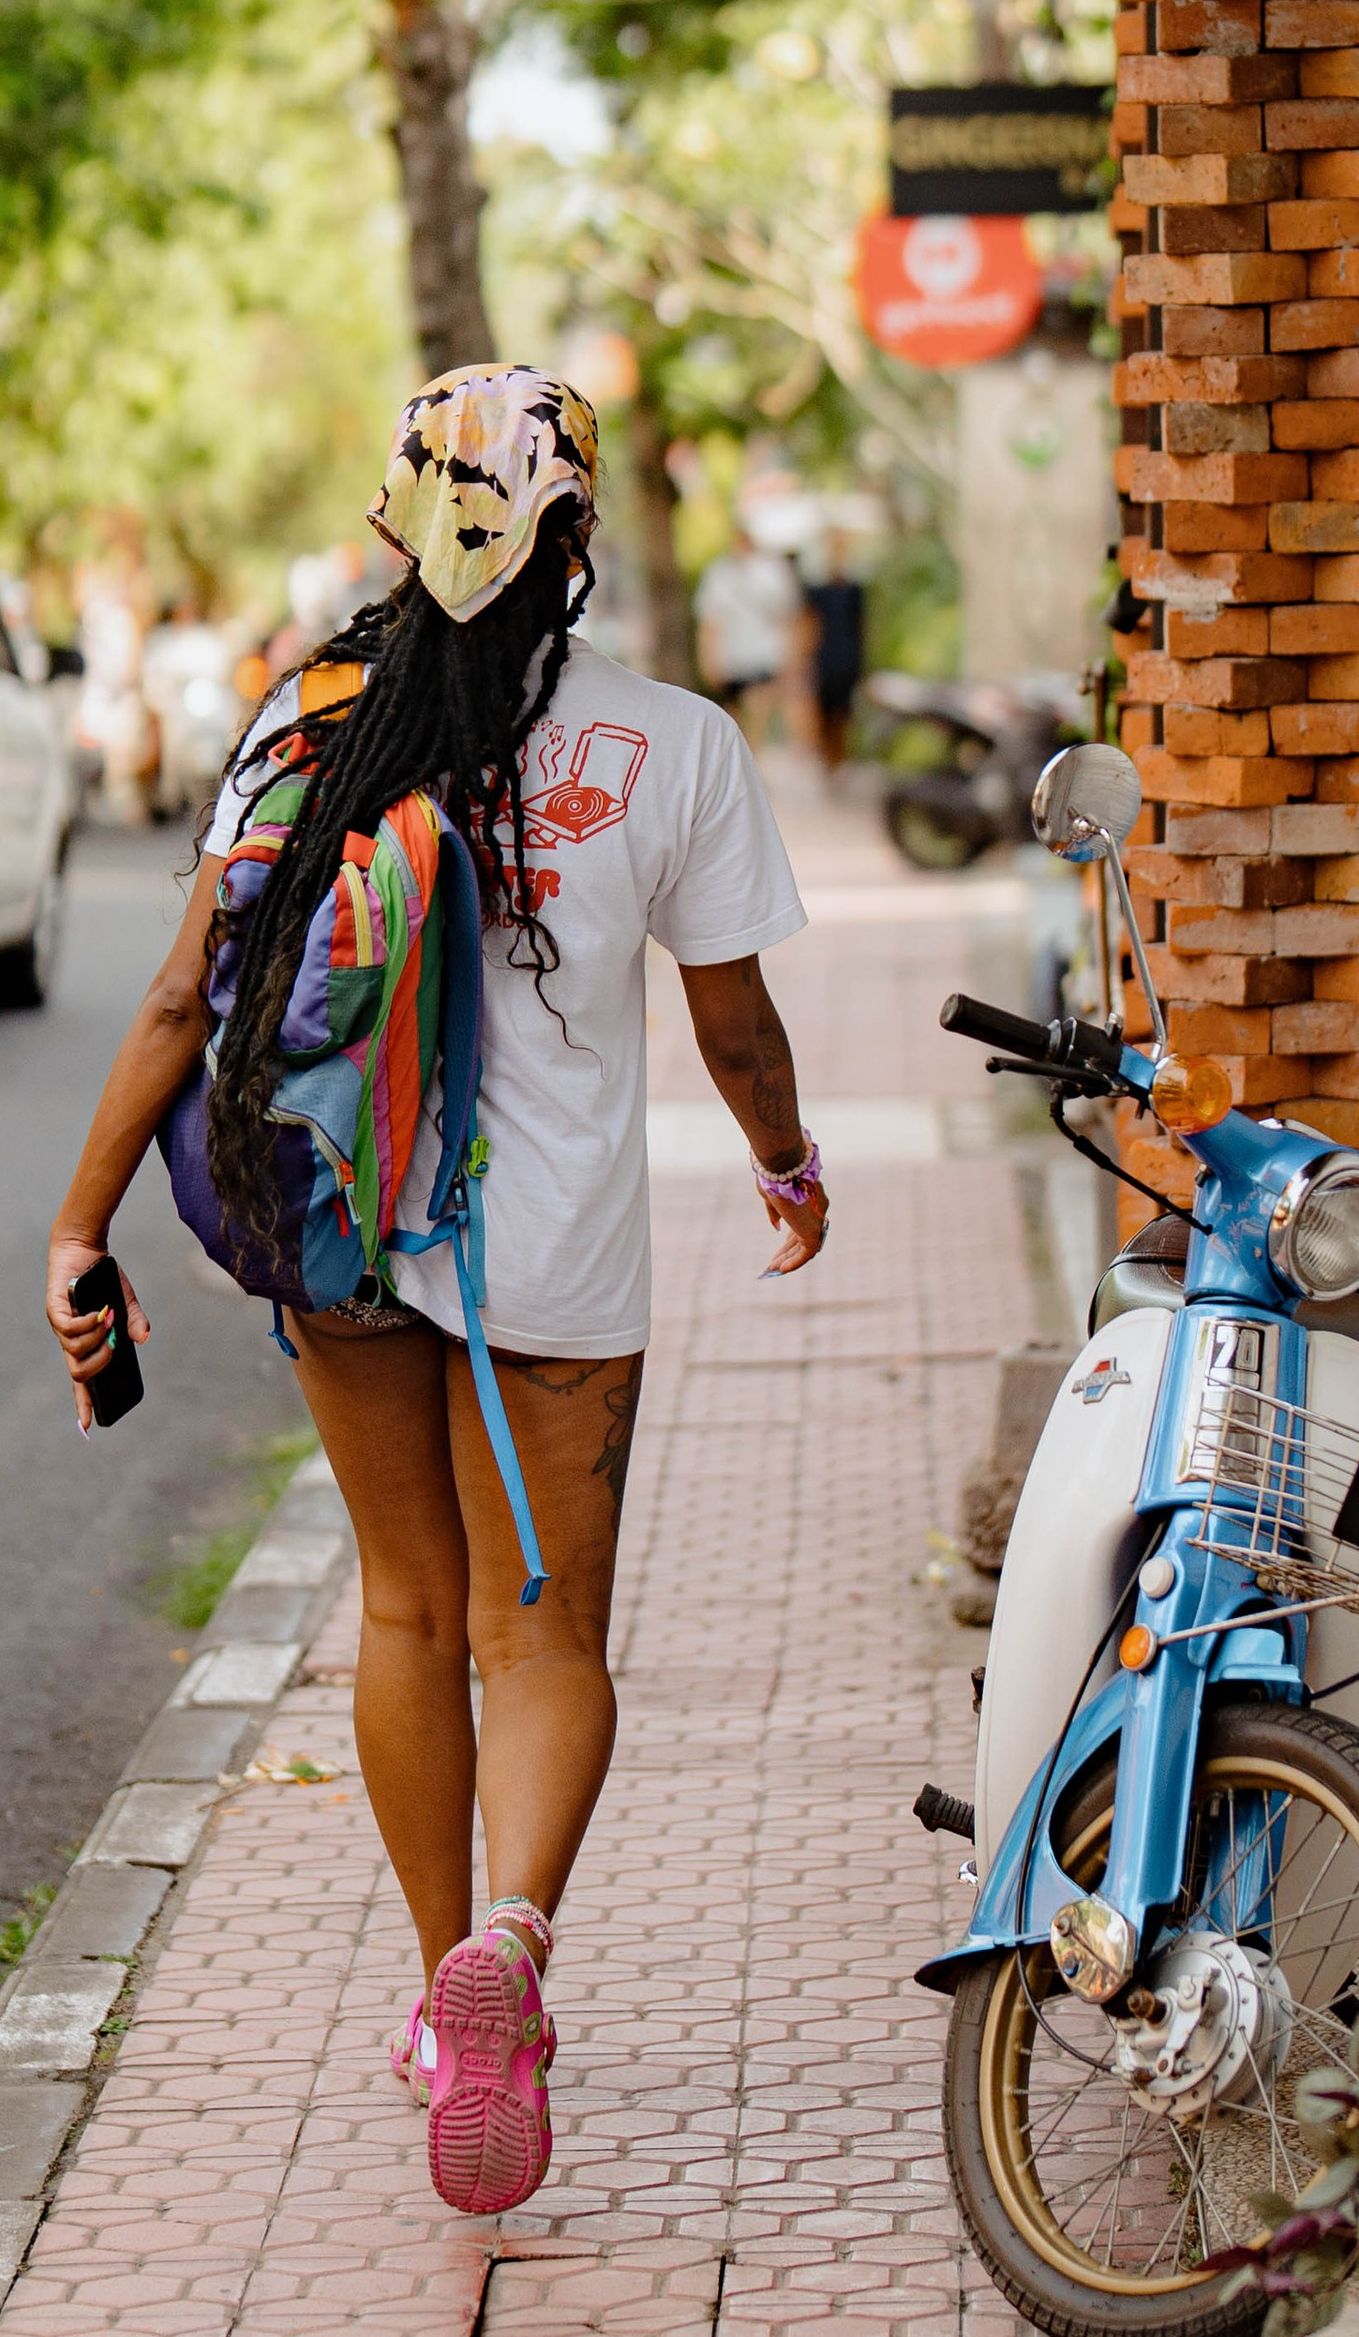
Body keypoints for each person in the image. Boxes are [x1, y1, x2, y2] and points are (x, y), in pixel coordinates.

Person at [43, 367, 827, 2222]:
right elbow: (737, 1026)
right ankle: (517, 1944)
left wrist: (80, 1224)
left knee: (404, 1612)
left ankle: (432, 1992)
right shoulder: (674, 747)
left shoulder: (312, 726)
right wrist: (787, 1166)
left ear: (400, 523)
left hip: (343, 1224)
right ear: (573, 542)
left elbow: (176, 1002)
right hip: (555, 1260)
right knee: (540, 1635)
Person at [692, 535, 804, 741]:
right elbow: (710, 621)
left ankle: (750, 756)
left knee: (756, 710)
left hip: (762, 655)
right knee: (734, 715)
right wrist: (708, 659)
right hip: (731, 657)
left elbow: (788, 618)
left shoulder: (772, 572)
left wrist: (791, 656)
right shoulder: (719, 574)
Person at [798, 533, 867, 776]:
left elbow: (861, 625)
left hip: (847, 655)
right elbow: (810, 624)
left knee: (843, 711)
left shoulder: (855, 590)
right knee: (824, 710)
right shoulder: (817, 590)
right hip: (825, 656)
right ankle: (827, 757)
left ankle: (839, 757)